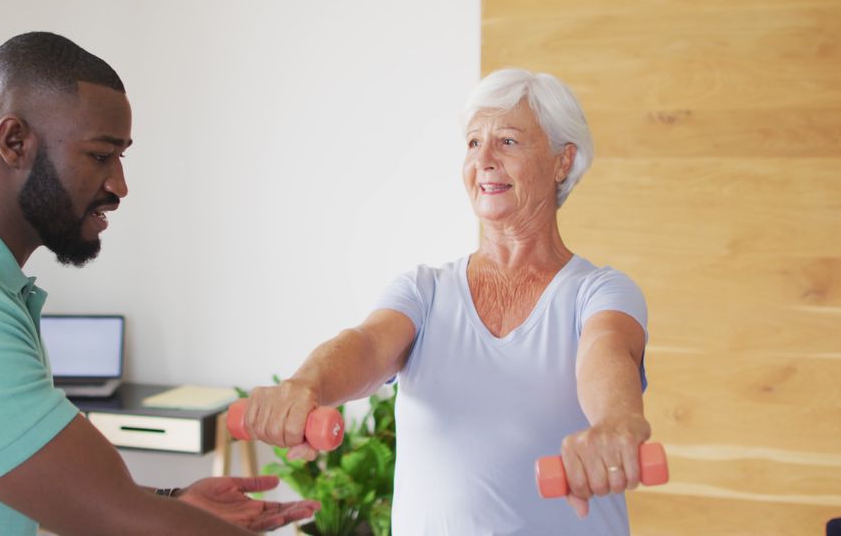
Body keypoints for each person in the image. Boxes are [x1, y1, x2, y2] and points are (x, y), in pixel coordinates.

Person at [0, 32, 317, 535]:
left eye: (121, 157)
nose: (119, 185)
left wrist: (168, 505)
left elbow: (34, 485)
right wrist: (143, 516)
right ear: (14, 141)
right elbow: (114, 521)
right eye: (99, 155)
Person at [243, 68, 651, 535]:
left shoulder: (599, 292)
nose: (485, 160)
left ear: (563, 161)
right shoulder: (425, 290)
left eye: (509, 142)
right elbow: (368, 345)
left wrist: (615, 424)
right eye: (474, 143)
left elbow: (607, 354)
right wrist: (306, 384)